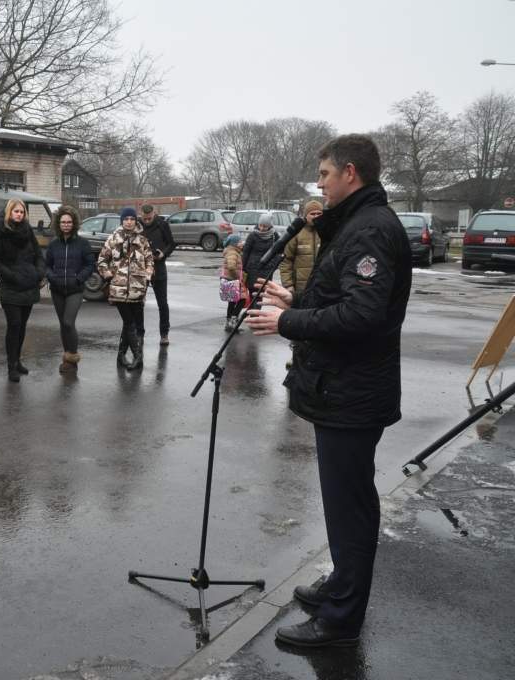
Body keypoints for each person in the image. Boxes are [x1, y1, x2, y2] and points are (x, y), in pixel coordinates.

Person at [245, 134, 412, 648]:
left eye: (324, 173)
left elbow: (362, 316)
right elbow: (344, 298)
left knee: (350, 507)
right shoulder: (357, 224)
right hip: (341, 387)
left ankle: (341, 621)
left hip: (352, 392)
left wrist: (287, 321)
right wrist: (294, 300)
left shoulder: (370, 229)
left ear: (350, 173)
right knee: (343, 503)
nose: (319, 183)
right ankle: (341, 585)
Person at [0, 199, 45, 383]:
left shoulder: (28, 231)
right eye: (16, 211)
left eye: (22, 212)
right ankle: (11, 366)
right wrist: (11, 276)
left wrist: (38, 273)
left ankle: (18, 360)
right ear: (9, 212)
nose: (19, 214)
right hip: (11, 287)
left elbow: (39, 255)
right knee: (14, 325)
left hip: (29, 286)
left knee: (22, 326)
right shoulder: (1, 232)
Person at [97, 207, 154, 370]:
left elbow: (150, 260)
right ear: (122, 221)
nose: (129, 222)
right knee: (129, 322)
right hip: (119, 289)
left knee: (129, 324)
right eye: (126, 219)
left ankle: (121, 355)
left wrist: (147, 275)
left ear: (135, 221)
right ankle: (137, 356)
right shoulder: (113, 239)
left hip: (137, 289)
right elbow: (101, 260)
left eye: (132, 219)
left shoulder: (142, 240)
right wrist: (108, 274)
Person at [44, 206, 95, 374]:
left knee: (68, 322)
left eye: (69, 222)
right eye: (63, 222)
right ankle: (68, 360)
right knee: (63, 325)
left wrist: (78, 278)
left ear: (74, 224)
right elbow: (46, 265)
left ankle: (72, 356)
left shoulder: (82, 243)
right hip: (57, 289)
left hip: (75, 290)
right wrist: (52, 277)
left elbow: (90, 265)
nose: (66, 225)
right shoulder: (54, 244)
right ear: (58, 224)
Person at [139, 204, 175, 345]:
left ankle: (164, 334)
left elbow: (171, 244)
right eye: (145, 218)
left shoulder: (162, 224)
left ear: (154, 213)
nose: (147, 221)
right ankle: (139, 333)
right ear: (141, 214)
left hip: (158, 268)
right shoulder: (137, 225)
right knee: (138, 303)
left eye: (149, 218)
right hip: (141, 269)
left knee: (162, 303)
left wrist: (163, 253)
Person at [280, 200, 324, 296]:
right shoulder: (297, 233)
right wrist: (288, 284)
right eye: (312, 214)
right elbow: (286, 260)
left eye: (319, 213)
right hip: (300, 289)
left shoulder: (328, 232)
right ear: (306, 215)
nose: (316, 216)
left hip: (322, 288)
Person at [241, 212, 278, 289]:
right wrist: (243, 267)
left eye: (265, 226)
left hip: (267, 270)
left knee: (264, 292)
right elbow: (246, 252)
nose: (262, 228)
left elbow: (278, 252)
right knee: (252, 290)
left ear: (269, 226)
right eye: (260, 225)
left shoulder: (274, 236)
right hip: (252, 269)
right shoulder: (252, 235)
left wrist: (273, 265)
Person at [221, 234, 245, 332]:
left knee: (232, 302)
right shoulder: (232, 253)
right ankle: (233, 321)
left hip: (230, 280)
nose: (242, 243)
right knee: (242, 300)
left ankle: (229, 324)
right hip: (233, 280)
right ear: (234, 243)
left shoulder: (234, 251)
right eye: (240, 241)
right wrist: (237, 277)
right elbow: (231, 267)